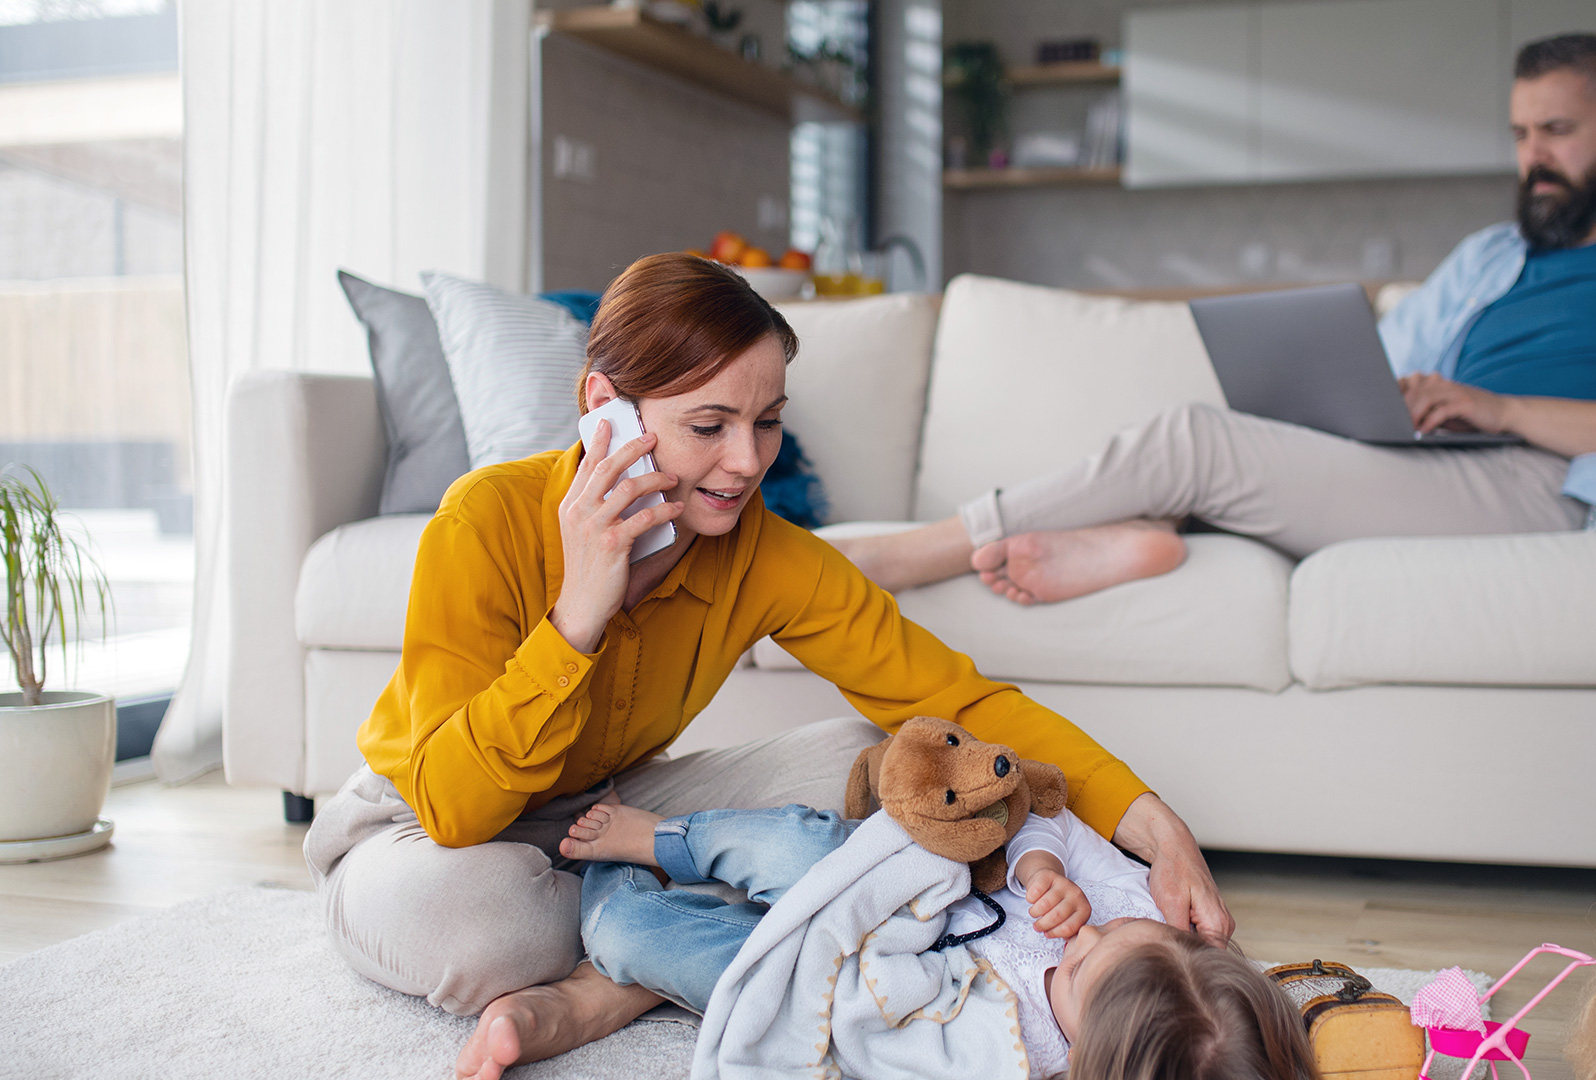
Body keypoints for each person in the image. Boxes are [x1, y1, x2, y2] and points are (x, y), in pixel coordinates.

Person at [299, 253, 1231, 1080]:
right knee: (482, 926)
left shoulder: (764, 551)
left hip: (608, 806)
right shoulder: (483, 521)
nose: (745, 464)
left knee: (882, 769)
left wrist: (1153, 823)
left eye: (767, 423)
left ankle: (637, 965)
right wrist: (579, 611)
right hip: (420, 823)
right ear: (604, 410)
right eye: (709, 426)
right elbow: (458, 807)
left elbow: (957, 699)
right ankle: (677, 943)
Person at [837, 33, 1596, 605]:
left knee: (1193, 439)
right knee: (1245, 434)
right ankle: (1140, 536)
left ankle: (914, 555)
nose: (1534, 159)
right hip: (1442, 464)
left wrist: (1503, 408)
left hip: (1552, 479)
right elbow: (1382, 371)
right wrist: (1371, 399)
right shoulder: (1489, 256)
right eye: (1521, 135)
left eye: (1557, 132)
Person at [560, 797, 1319, 1080]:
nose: (1077, 939)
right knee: (800, 847)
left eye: (1081, 976)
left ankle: (609, 908)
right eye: (1118, 933)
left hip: (861, 969)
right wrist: (1041, 864)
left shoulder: (1012, 1051)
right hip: (894, 887)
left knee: (672, 949)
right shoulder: (1121, 901)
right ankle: (664, 839)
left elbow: (876, 1035)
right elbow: (1049, 816)